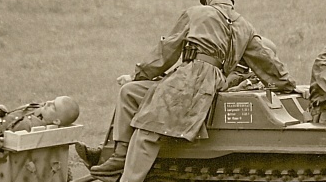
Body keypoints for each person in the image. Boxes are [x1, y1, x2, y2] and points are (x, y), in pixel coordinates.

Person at [87, 0, 304, 182]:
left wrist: (141, 72)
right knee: (130, 92)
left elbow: (166, 51)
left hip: (191, 78)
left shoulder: (196, 13)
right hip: (209, 81)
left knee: (149, 127)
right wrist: (290, 86)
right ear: (230, 3)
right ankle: (120, 156)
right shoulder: (245, 26)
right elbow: (266, 62)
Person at [74, 36, 279, 174]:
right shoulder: (234, 68)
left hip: (192, 109)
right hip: (188, 97)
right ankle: (109, 151)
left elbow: (219, 85)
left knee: (136, 98)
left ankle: (112, 155)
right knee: (133, 94)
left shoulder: (242, 75)